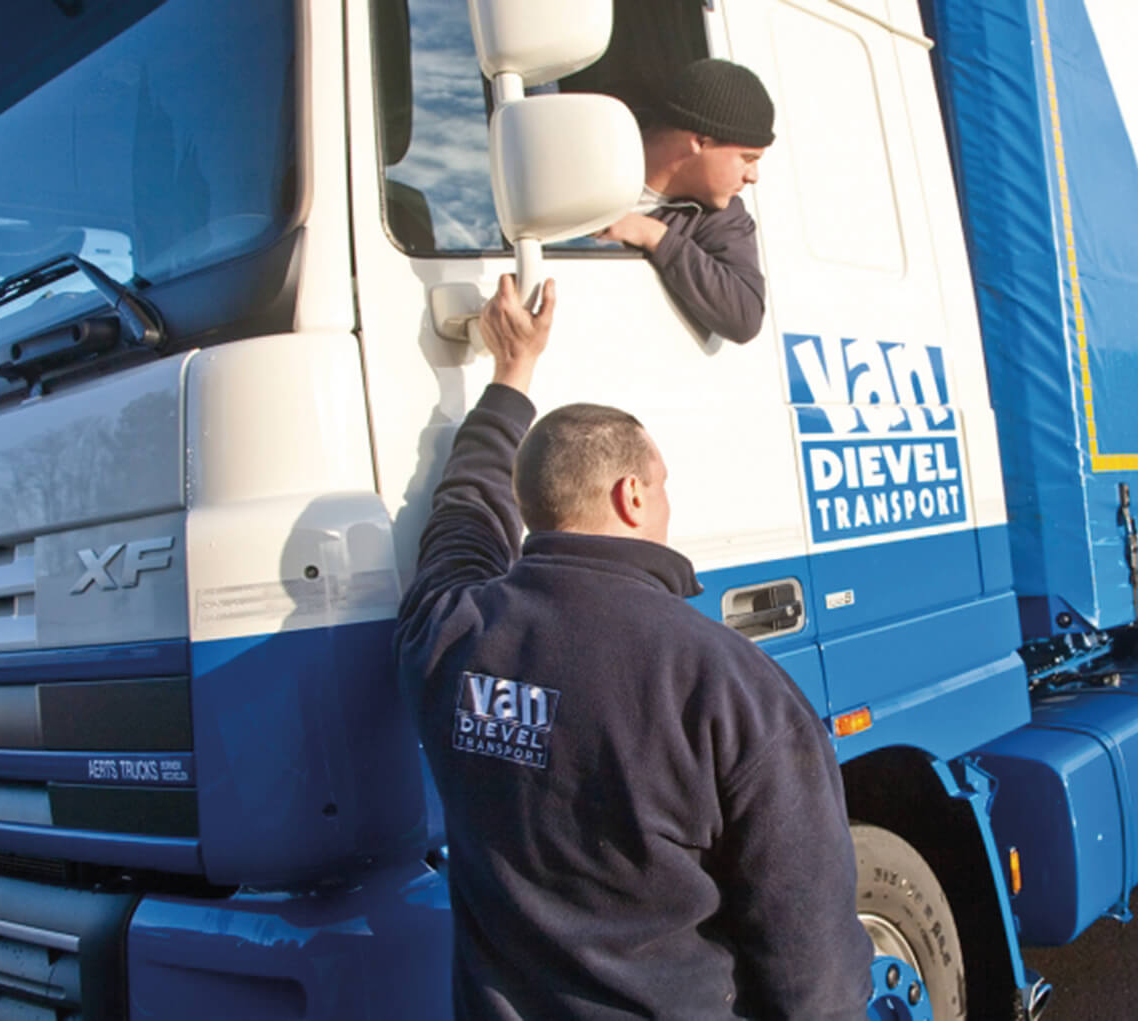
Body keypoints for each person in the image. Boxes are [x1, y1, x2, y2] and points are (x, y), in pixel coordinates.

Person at [395, 274, 873, 1019]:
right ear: (632, 496)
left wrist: (510, 376)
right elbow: (813, 966)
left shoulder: (452, 637)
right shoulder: (731, 686)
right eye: (664, 484)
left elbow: (460, 515)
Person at [597, 58, 773, 343]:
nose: (753, 176)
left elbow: (744, 316)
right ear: (700, 142)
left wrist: (655, 236)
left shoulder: (722, 215)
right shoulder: (592, 153)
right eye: (748, 158)